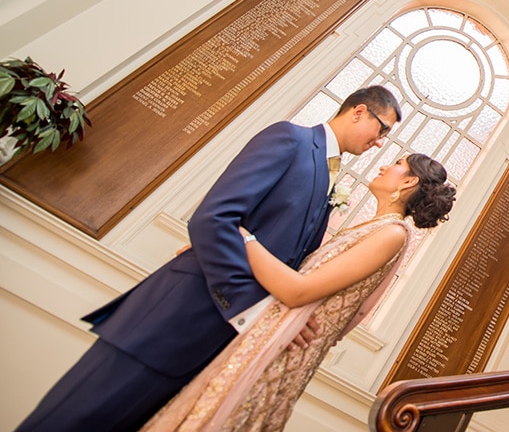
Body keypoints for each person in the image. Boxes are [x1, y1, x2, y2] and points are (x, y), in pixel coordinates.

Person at [17, 86, 403, 432]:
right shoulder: (291, 139)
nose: (380, 142)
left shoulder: (331, 177)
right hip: (175, 321)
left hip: (214, 345)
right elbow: (214, 218)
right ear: (358, 111)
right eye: (382, 129)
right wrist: (252, 308)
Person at [141, 153, 455, 432]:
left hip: (289, 346)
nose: (386, 165)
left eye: (398, 164)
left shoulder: (391, 234)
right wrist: (216, 258)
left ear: (410, 181)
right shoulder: (373, 228)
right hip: (275, 332)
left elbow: (298, 291)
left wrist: (241, 236)